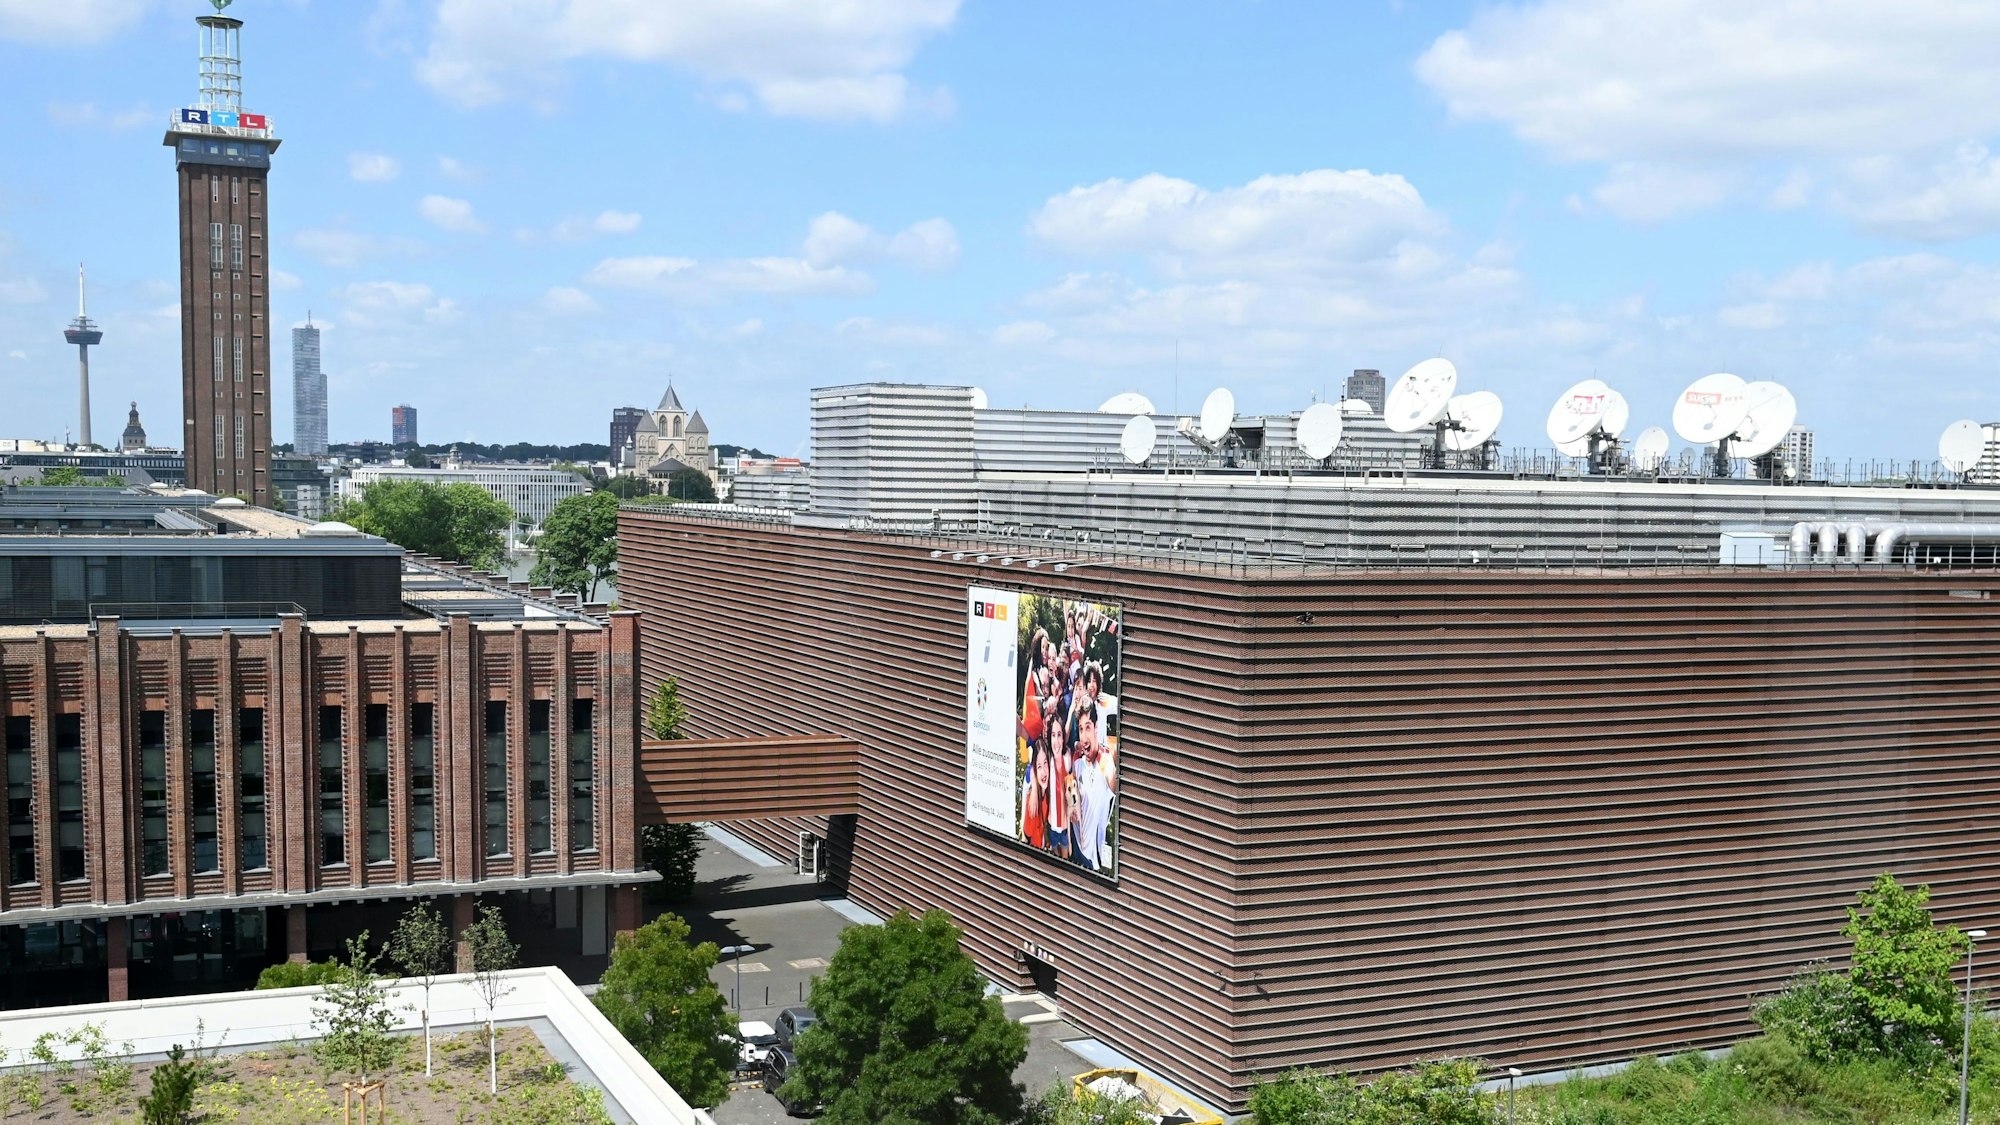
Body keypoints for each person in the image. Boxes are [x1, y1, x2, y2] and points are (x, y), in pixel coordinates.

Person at [1074, 709, 1114, 873]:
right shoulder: (1077, 765)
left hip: (1097, 865)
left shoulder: (1106, 762)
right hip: (1077, 855)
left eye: (1088, 727)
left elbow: (1114, 785)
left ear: (1096, 728)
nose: (1084, 736)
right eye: (1081, 729)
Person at [1020, 741, 1049, 850]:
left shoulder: (1048, 791)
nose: (1044, 772)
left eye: (1045, 763)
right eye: (1039, 766)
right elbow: (1026, 835)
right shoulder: (1032, 803)